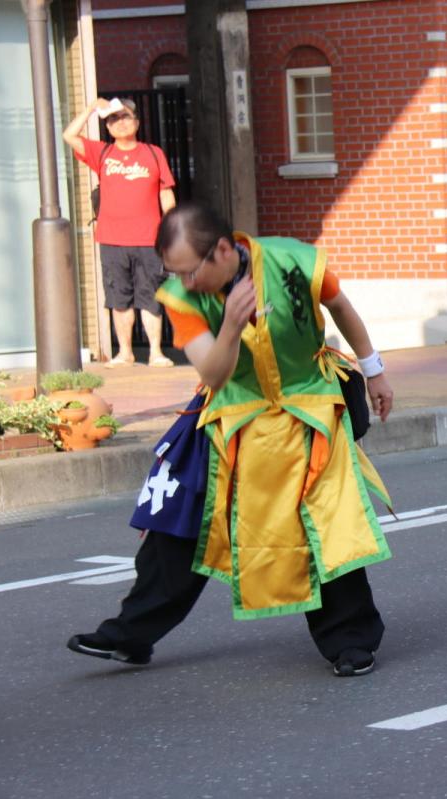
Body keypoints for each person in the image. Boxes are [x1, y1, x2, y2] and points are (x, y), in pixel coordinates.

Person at [67, 202, 395, 677]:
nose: (183, 281)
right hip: (232, 419)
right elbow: (214, 372)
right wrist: (232, 326)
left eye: (189, 270)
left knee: (326, 524)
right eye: (172, 271)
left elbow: (340, 306)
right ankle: (129, 635)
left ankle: (351, 640)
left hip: (311, 412)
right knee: (180, 518)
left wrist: (374, 371)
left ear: (223, 249)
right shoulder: (182, 298)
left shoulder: (294, 260)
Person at [63, 97, 177, 368]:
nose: (120, 123)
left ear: (137, 122)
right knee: (118, 297)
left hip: (150, 239)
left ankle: (155, 352)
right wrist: (92, 108)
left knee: (151, 297)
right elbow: (69, 135)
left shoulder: (153, 153)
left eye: (126, 117)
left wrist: (171, 229)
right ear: (108, 126)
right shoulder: (102, 153)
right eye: (114, 119)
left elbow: (166, 196)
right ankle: (125, 352)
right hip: (112, 239)